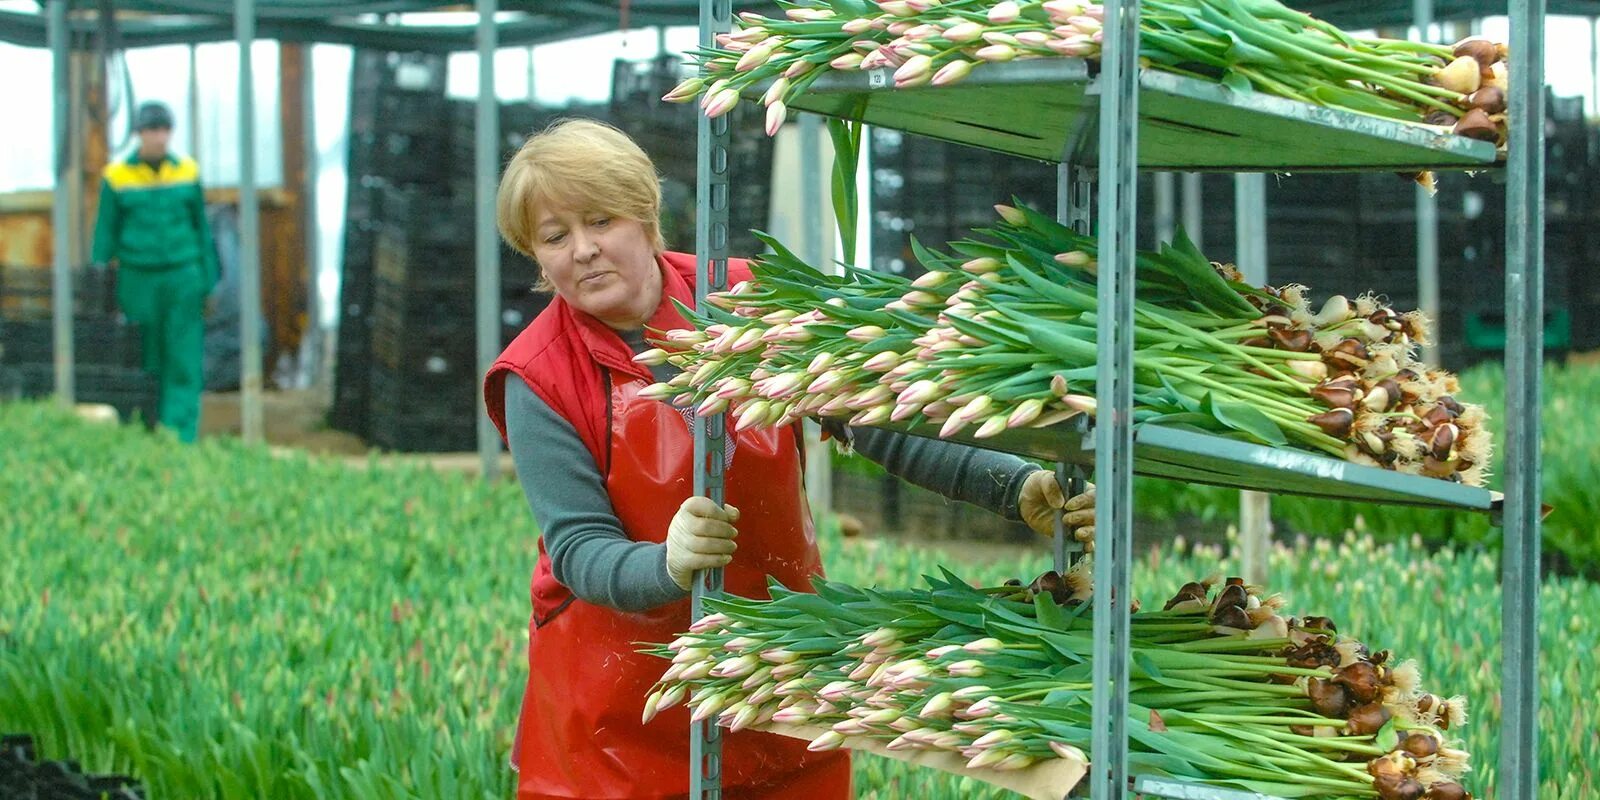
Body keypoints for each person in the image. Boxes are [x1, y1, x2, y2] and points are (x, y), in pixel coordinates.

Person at [482, 118, 1095, 800]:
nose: (585, 250)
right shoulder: (536, 375)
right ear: (534, 256)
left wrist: (1011, 487)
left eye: (601, 220)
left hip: (780, 660)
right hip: (620, 707)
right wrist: (668, 564)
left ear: (647, 217)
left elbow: (875, 422)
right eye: (554, 236)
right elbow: (578, 547)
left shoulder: (745, 299)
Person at [91, 100, 218, 443]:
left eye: (164, 130)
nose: (159, 138)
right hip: (138, 277)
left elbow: (201, 228)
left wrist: (208, 278)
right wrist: (99, 278)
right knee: (143, 353)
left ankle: (181, 433)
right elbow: (105, 233)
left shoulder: (187, 172)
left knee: (183, 354)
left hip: (182, 275)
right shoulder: (117, 176)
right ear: (138, 134)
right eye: (152, 131)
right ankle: (144, 429)